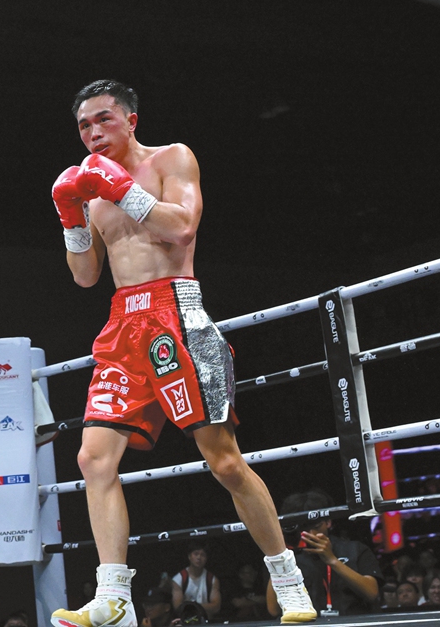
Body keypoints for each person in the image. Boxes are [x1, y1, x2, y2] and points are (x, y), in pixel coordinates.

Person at [46, 80, 316, 627]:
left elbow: (181, 227)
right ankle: (114, 599)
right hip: (122, 323)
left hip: (176, 315)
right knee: (91, 458)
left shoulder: (172, 158)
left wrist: (121, 189)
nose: (93, 133)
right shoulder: (89, 189)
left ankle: (288, 580)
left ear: (131, 120)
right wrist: (72, 216)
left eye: (104, 120)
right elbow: (85, 276)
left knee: (224, 461)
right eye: (83, 125)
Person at [265, 491, 380, 617]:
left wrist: (333, 561)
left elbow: (372, 593)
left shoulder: (355, 549)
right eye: (304, 529)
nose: (311, 534)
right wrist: (282, 556)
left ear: (328, 522)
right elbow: (274, 609)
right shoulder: (290, 556)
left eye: (316, 527)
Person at [170, 543, 220, 619]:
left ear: (206, 558)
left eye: (202, 555)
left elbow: (216, 607)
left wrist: (192, 606)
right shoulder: (178, 579)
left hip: (206, 622)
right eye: (196, 554)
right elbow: (178, 607)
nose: (199, 557)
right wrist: (203, 606)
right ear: (189, 556)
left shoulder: (212, 580)